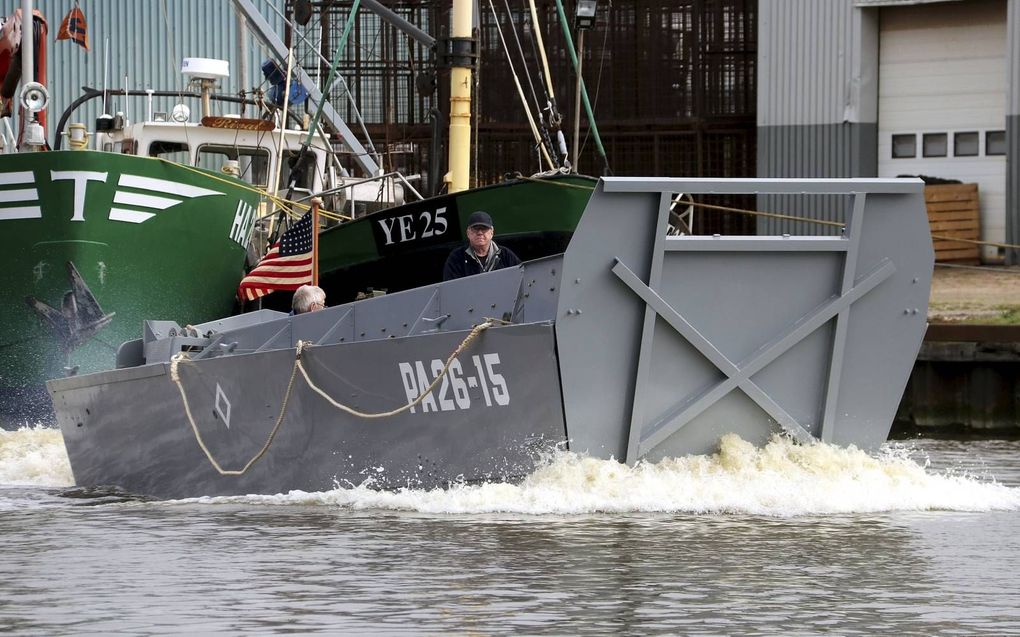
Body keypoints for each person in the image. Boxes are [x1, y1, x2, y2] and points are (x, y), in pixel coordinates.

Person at [443, 211, 521, 280]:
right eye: (475, 228)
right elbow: (451, 289)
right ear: (468, 233)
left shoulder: (506, 255)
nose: (480, 232)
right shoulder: (456, 258)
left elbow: (521, 278)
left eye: (484, 228)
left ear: (492, 232)